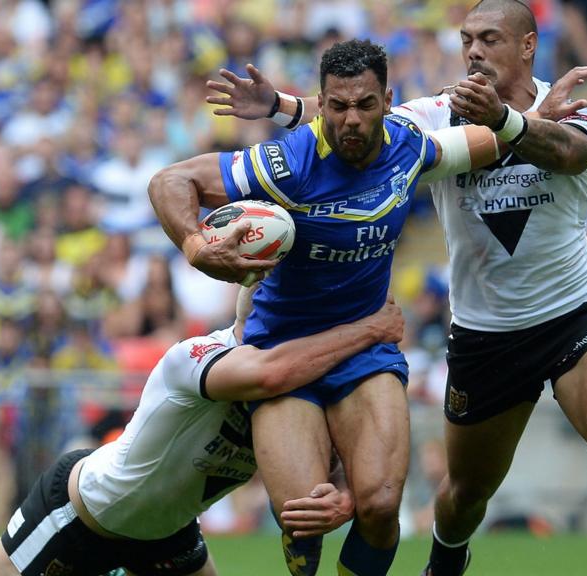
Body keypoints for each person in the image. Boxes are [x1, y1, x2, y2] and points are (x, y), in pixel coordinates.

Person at [207, 1, 587, 575]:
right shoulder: (436, 116)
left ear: (528, 45)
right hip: (486, 332)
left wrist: (509, 121)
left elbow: (570, 151)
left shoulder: (568, 104)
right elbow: (362, 117)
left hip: (571, 312)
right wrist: (280, 107)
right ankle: (446, 561)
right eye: (466, 39)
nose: (473, 50)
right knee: (463, 497)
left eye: (489, 38)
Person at [150, 39, 513, 576]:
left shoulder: (409, 146)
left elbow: (488, 141)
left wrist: (533, 121)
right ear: (321, 103)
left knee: (380, 505)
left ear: (387, 100)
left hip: (366, 348)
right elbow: (170, 180)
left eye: (365, 105)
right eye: (338, 106)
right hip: (284, 354)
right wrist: (196, 246)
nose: (351, 120)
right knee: (303, 515)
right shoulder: (287, 161)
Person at [0, 286, 405, 576]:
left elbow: (337, 461)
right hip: (82, 515)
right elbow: (268, 373)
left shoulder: (297, 396)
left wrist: (340, 492)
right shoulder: (197, 356)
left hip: (169, 534)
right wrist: (368, 330)